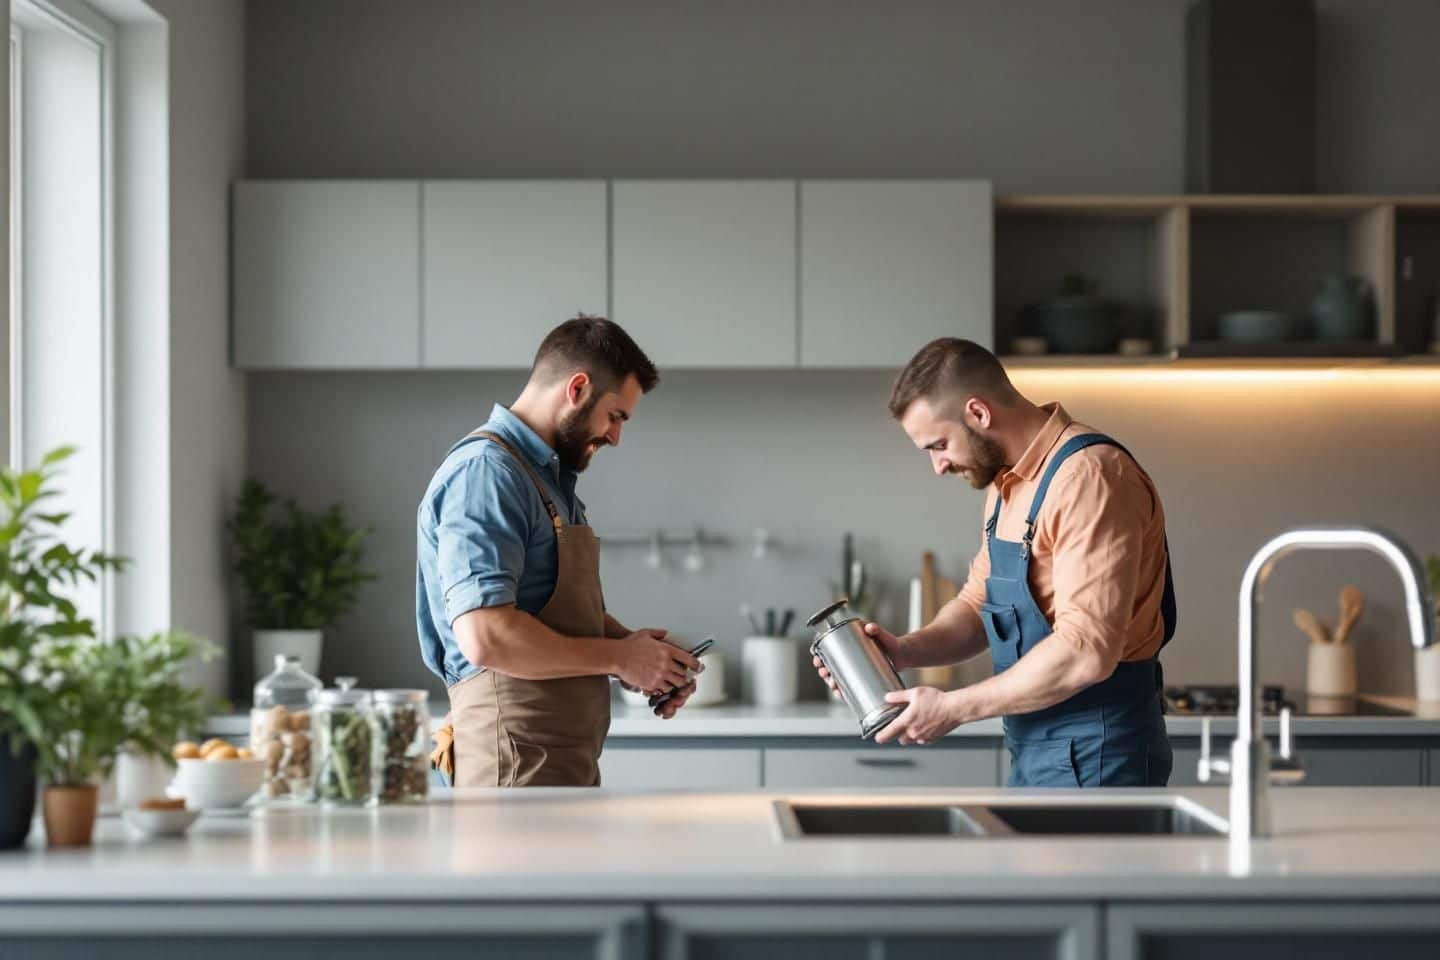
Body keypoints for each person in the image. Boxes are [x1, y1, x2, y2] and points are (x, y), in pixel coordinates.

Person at [817, 338, 1176, 786]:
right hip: (1036, 748)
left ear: (979, 413)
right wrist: (905, 651)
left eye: (939, 444)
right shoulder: (1007, 483)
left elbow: (1086, 654)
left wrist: (952, 708)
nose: (938, 466)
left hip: (1101, 751)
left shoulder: (1088, 477)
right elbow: (977, 605)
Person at [419, 316, 701, 787]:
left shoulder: (547, 481)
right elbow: (485, 636)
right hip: (510, 770)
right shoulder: (486, 475)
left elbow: (549, 613)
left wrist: (639, 656)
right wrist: (618, 659)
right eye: (616, 416)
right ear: (576, 388)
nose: (616, 436)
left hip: (557, 767)